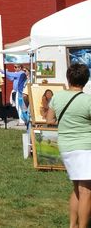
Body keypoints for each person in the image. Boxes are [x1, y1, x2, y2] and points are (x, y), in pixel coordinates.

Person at [46, 63, 91, 228]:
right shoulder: (88, 100)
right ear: (86, 80)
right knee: (86, 190)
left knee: (77, 189)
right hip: (85, 147)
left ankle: (73, 225)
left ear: (68, 78)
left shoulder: (57, 97)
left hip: (66, 146)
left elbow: (49, 120)